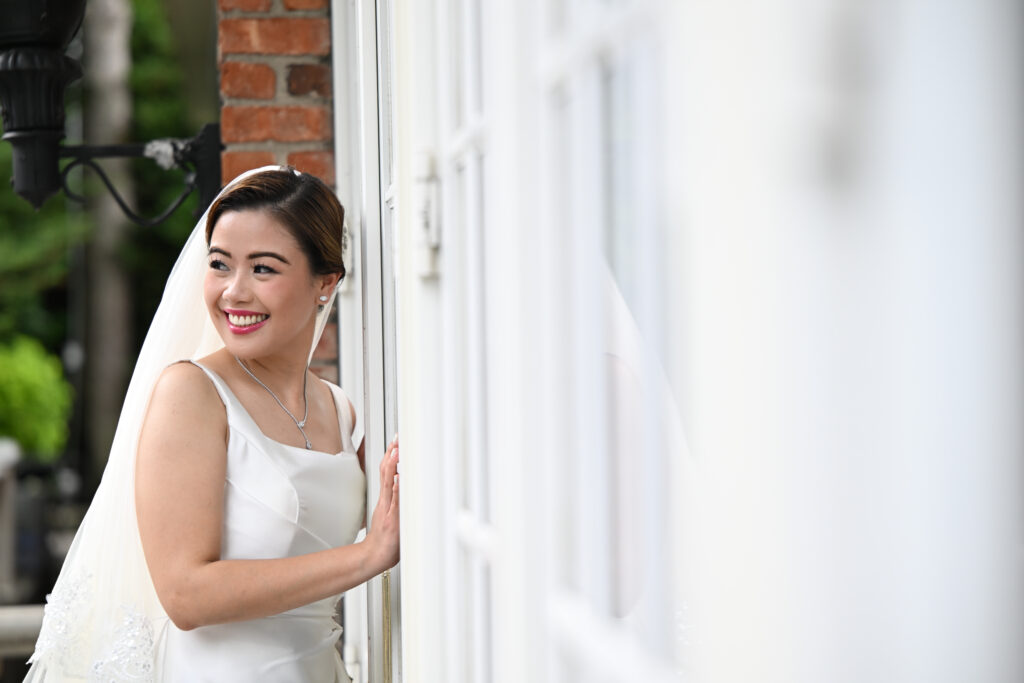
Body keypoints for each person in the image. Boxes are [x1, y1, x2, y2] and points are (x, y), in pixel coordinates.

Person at [25, 167, 399, 682]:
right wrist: (369, 555)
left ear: (325, 282)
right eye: (220, 265)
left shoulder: (341, 409)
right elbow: (185, 594)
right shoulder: (192, 394)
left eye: (263, 269)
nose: (234, 292)